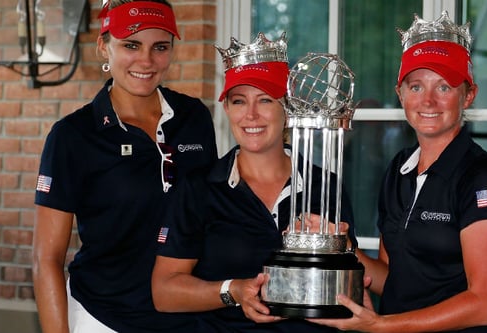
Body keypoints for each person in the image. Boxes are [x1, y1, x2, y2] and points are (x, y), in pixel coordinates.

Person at [310, 11, 487, 332]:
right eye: (416, 86)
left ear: (469, 94)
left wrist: (382, 325)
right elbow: (391, 278)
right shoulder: (400, 168)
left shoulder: (482, 176)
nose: (429, 101)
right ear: (400, 94)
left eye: (444, 87)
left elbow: (485, 304)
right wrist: (341, 247)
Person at [31, 1, 218, 332]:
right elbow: (46, 259)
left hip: (189, 318)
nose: (146, 61)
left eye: (160, 47)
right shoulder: (73, 136)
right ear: (104, 46)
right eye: (131, 45)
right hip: (101, 318)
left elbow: (212, 214)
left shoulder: (194, 118)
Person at [150, 32, 356, 332]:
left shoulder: (324, 186)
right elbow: (164, 292)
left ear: (287, 109)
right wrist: (232, 291)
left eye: (265, 100)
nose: (251, 115)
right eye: (239, 101)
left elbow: (349, 287)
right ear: (227, 110)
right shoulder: (199, 188)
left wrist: (344, 250)